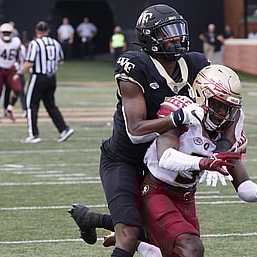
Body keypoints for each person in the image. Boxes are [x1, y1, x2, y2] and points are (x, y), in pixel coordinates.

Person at [68, 65, 257, 257]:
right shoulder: (183, 113)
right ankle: (130, 237)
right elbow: (167, 157)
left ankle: (100, 223)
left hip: (186, 198)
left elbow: (241, 181)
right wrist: (204, 163)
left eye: (230, 109)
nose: (224, 115)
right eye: (219, 106)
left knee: (180, 251)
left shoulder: (229, 127)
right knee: (190, 247)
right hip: (157, 191)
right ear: (202, 97)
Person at [69, 4, 210, 257]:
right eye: (168, 32)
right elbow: (135, 131)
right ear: (151, 38)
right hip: (125, 160)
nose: (177, 37)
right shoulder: (135, 65)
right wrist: (178, 117)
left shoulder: (195, 63)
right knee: (129, 235)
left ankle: (90, 219)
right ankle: (97, 221)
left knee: (168, 236)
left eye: (178, 30)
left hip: (160, 166)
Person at [13, 21, 74, 143]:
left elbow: (30, 62)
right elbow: (60, 61)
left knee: (31, 105)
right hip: (51, 78)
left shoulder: (35, 44)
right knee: (50, 105)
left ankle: (33, 134)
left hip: (38, 77)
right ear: (48, 31)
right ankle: (64, 129)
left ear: (36, 31)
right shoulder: (55, 43)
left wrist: (19, 73)